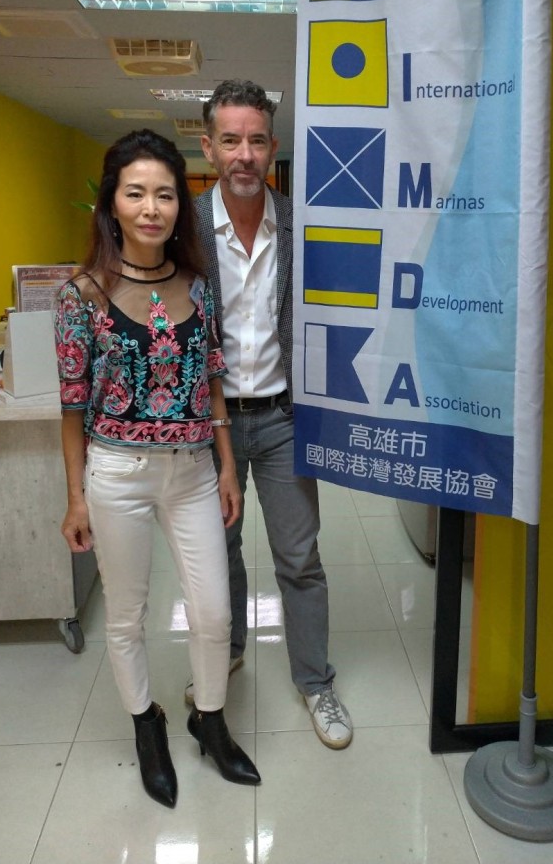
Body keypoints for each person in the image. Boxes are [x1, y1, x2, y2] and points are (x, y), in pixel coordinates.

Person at [54, 128, 260, 808]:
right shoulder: (81, 295)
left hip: (194, 469)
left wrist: (228, 466)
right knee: (128, 614)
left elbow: (213, 383)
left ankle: (210, 718)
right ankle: (147, 723)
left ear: (181, 206)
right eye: (136, 192)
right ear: (112, 205)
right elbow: (71, 405)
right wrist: (76, 498)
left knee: (212, 610)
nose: (151, 207)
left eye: (165, 194)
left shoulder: (198, 285)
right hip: (116, 474)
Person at [186, 79, 353, 750]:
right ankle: (225, 652)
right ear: (208, 147)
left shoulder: (302, 221)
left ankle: (315, 682)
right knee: (217, 553)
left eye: (256, 140)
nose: (245, 154)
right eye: (231, 140)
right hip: (209, 424)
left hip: (284, 418)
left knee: (299, 556)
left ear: (273, 146)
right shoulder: (186, 228)